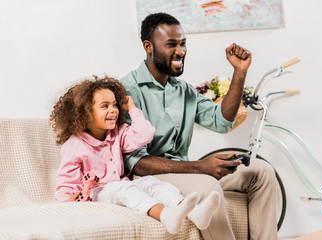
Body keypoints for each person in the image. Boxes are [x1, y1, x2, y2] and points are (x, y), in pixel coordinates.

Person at [120, 12, 278, 240]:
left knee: (261, 172)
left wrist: (239, 72)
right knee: (208, 187)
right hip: (149, 179)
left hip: (184, 171)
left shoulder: (183, 90)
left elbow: (222, 122)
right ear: (149, 47)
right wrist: (199, 167)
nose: (181, 52)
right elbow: (135, 162)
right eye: (171, 44)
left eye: (183, 43)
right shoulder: (128, 90)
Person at [50, 76, 222, 235]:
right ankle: (165, 216)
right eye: (105, 106)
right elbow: (66, 185)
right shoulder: (74, 145)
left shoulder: (118, 133)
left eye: (115, 105)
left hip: (120, 185)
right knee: (123, 188)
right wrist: (70, 201)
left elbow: (145, 134)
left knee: (150, 183)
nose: (113, 110)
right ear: (85, 113)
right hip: (96, 194)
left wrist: (132, 109)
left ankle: (193, 213)